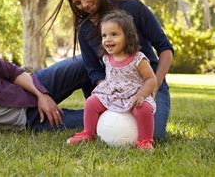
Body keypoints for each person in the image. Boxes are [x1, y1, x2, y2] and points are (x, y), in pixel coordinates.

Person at [46, 0, 173, 141]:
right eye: (78, 3)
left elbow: (165, 48)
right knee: (107, 127)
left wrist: (154, 86)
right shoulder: (84, 29)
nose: (84, 4)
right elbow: (93, 70)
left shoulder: (133, 7)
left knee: (155, 135)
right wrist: (110, 93)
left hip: (148, 84)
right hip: (114, 89)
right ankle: (88, 128)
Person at [66, 10, 157, 149]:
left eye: (114, 34)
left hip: (134, 94)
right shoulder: (107, 58)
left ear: (128, 37)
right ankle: (88, 133)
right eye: (104, 35)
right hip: (112, 93)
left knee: (143, 109)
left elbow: (151, 79)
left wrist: (142, 95)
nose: (107, 39)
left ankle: (145, 141)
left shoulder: (138, 58)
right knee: (91, 102)